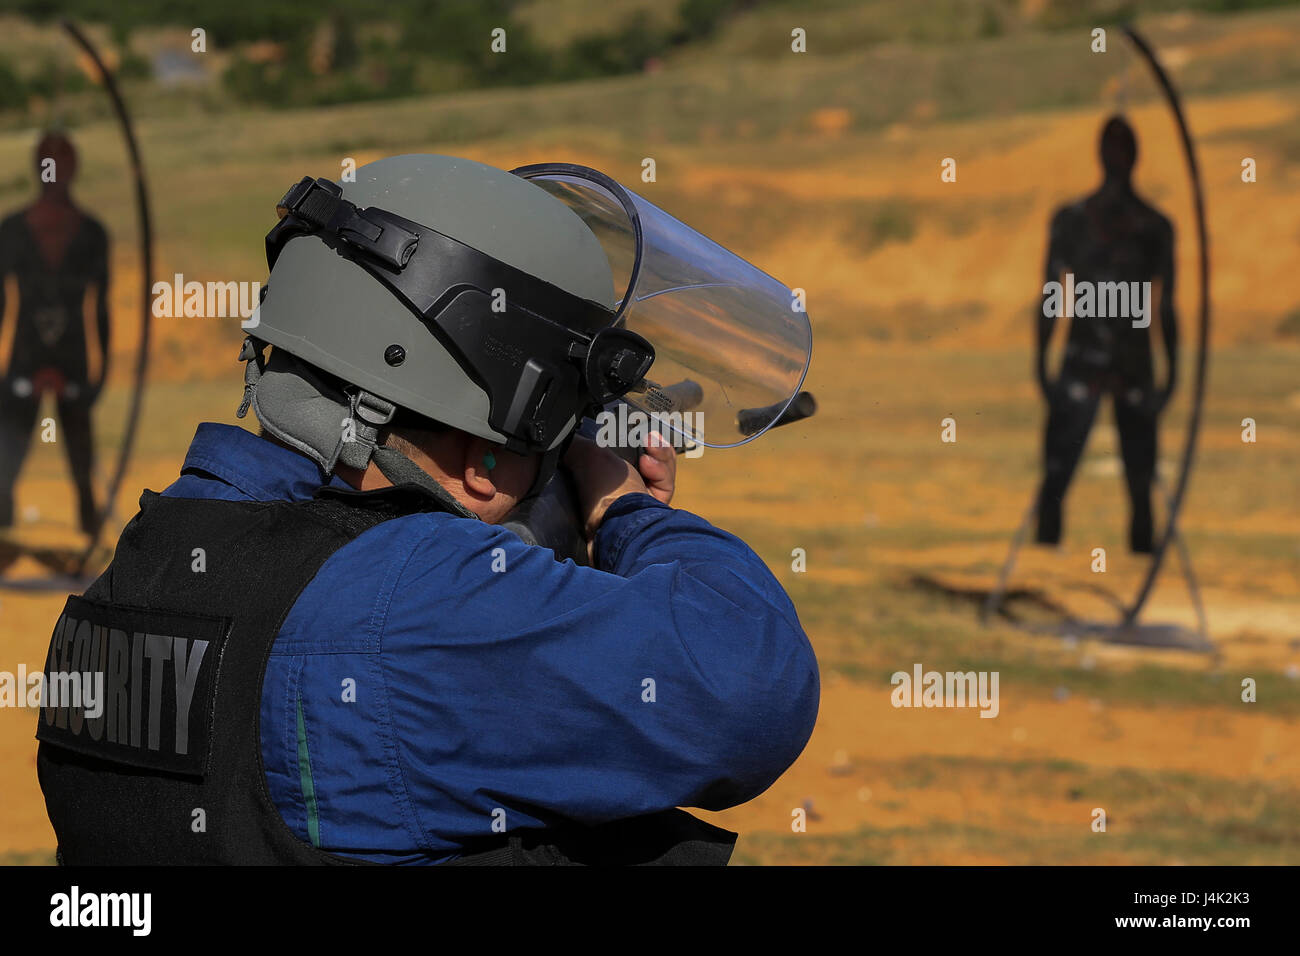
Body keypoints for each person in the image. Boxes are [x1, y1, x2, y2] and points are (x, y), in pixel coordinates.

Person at [36, 154, 820, 865]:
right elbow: (751, 687)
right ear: (482, 466)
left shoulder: (152, 554)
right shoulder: (414, 603)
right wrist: (622, 508)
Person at [1035, 115, 1179, 554]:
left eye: (1123, 149)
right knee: (1056, 472)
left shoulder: (1154, 227)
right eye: (1112, 148)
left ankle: (1141, 559)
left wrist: (1170, 375)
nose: (1117, 157)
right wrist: (1041, 364)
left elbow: (1166, 307)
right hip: (1083, 359)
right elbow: (1050, 297)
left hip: (1133, 363)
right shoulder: (1073, 220)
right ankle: (1045, 559)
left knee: (1141, 476)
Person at [0, 131, 110, 536]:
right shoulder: (12, 231)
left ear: (75, 169)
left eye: (63, 162)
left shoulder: (92, 234)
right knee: (6, 459)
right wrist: (7, 379)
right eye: (49, 162)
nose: (56, 172)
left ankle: (89, 531)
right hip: (23, 358)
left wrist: (98, 377)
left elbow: (100, 310)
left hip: (74, 359)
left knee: (82, 464)